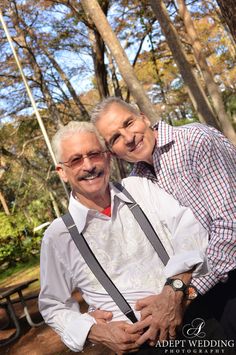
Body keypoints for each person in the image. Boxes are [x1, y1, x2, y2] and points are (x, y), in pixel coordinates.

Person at [39, 122, 211, 354]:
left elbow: (189, 230)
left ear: (107, 157)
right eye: (76, 160)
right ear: (62, 172)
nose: (89, 165)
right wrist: (91, 330)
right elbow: (53, 304)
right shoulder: (58, 236)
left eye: (94, 154)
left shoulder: (140, 188)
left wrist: (175, 290)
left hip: (199, 320)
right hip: (140, 347)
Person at [91, 96, 236, 343]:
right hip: (203, 295)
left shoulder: (196, 140)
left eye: (128, 123)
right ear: (112, 152)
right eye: (115, 138)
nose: (128, 137)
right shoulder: (138, 184)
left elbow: (231, 226)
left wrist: (185, 293)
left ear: (144, 118)